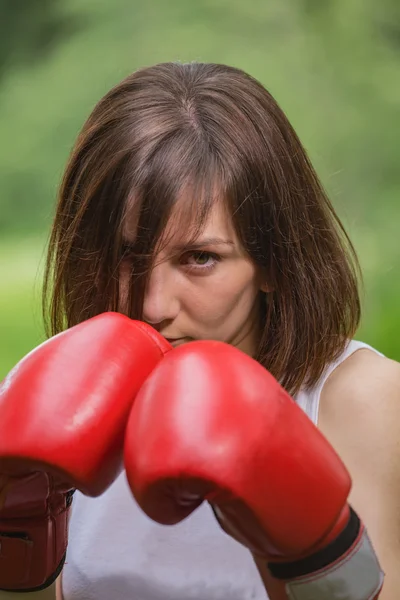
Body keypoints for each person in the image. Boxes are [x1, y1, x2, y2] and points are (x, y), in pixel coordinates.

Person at [0, 61, 399, 600]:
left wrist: (313, 551)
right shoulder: (60, 398)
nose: (152, 303)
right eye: (127, 255)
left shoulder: (366, 400)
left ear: (274, 262)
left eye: (200, 258)